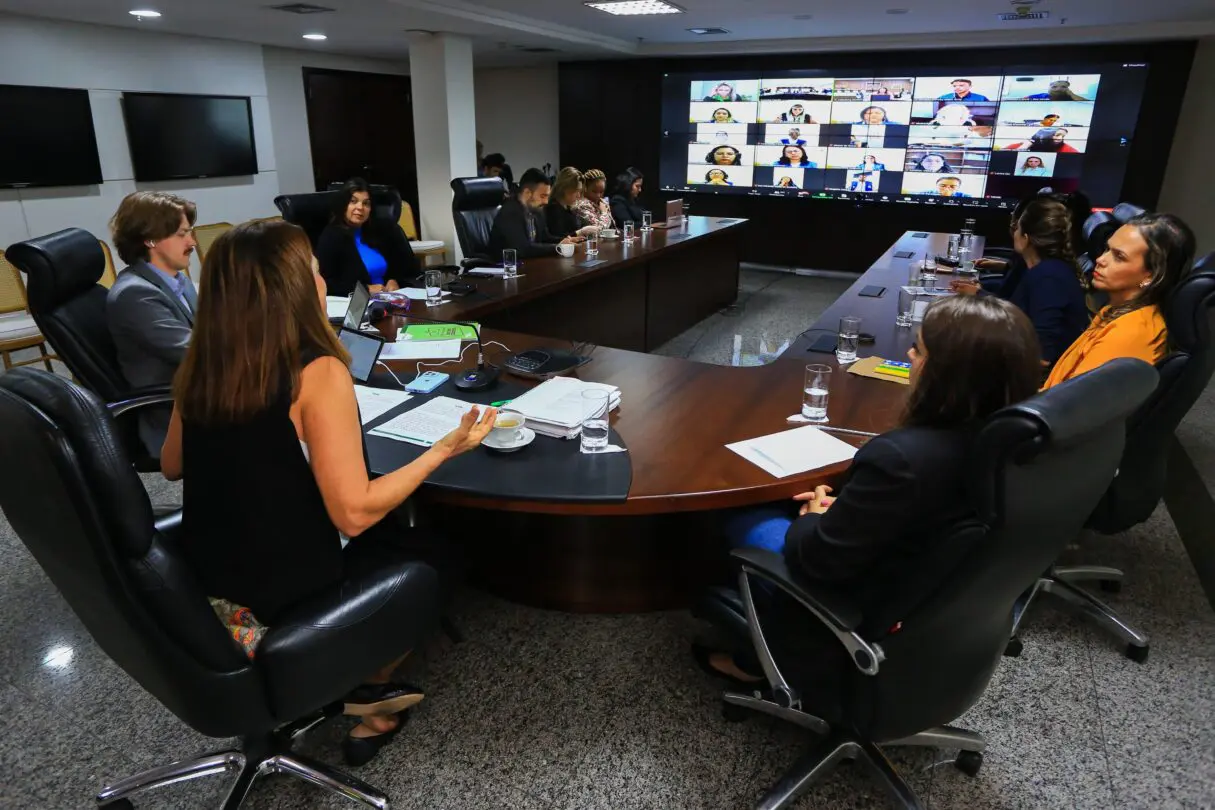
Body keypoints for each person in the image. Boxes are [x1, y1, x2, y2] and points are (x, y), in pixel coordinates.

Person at [161, 219, 496, 765]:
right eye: (314, 271)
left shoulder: (201, 361)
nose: (322, 282)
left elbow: (172, 464)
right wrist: (443, 449)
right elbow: (355, 514)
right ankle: (363, 689)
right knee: (437, 555)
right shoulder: (315, 371)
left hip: (211, 570)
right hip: (286, 584)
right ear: (293, 288)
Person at [693, 295, 1043, 686]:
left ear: (944, 373)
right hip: (932, 595)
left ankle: (758, 655)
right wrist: (851, 505)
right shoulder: (1014, 442)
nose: (909, 355)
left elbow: (818, 559)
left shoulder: (902, 459)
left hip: (862, 605)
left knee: (743, 508)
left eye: (918, 349)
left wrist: (817, 518)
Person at [1043, 213, 1197, 388]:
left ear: (1151, 276)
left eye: (1119, 257)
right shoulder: (1116, 309)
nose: (1100, 260)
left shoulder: (1132, 332)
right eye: (1107, 249)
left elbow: (1069, 406)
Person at [106, 190, 199, 457]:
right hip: (173, 414)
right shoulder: (136, 295)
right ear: (150, 239)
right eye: (182, 234)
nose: (192, 242)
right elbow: (199, 353)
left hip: (199, 393)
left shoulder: (175, 281)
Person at [951, 197, 1090, 365]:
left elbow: (1042, 356)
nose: (1013, 232)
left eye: (1017, 228)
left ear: (1026, 237)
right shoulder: (1041, 270)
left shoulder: (1049, 278)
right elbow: (1017, 315)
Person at [315, 178, 419, 298]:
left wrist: (394, 280)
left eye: (366, 203)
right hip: (358, 305)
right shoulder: (331, 237)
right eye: (353, 201)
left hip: (390, 299)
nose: (360, 207)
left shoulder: (381, 231)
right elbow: (327, 283)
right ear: (343, 205)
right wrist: (365, 289)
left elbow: (407, 267)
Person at [489, 168, 579, 259]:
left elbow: (545, 238)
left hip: (529, 264)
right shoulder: (510, 212)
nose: (546, 201)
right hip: (505, 267)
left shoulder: (536, 210)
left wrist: (567, 241)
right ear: (527, 193)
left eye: (547, 196)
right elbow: (523, 249)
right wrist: (558, 247)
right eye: (543, 196)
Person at [543, 167, 601, 240]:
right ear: (565, 188)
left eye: (580, 191)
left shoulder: (568, 207)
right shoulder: (553, 209)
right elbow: (557, 239)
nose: (578, 195)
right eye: (576, 190)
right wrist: (581, 232)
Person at [1003, 127, 1081, 153]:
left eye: (1063, 136)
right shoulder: (1017, 146)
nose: (1060, 138)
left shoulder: (1068, 150)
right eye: (1057, 135)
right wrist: (1024, 148)